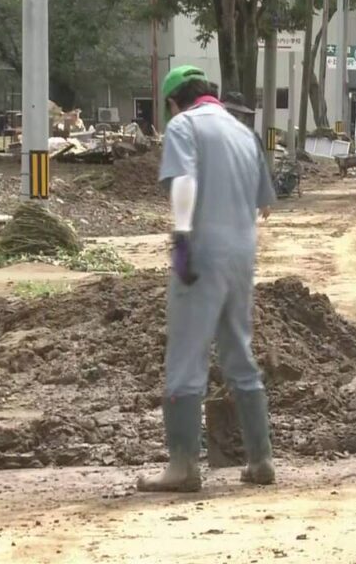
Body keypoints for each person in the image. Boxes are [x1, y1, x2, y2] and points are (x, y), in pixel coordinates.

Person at [136, 65, 277, 493]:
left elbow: (184, 180)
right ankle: (260, 460)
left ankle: (183, 467)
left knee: (186, 356)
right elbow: (264, 205)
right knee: (239, 354)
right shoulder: (243, 134)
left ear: (173, 101)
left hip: (201, 253)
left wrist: (182, 236)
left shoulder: (184, 126)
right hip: (241, 257)